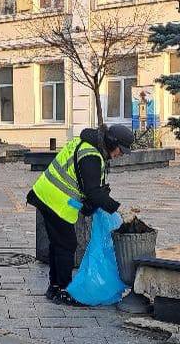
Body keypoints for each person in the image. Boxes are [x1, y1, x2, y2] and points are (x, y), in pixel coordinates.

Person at [27, 124, 134, 305]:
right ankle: (62, 289)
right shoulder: (91, 155)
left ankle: (55, 287)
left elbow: (88, 187)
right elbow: (93, 192)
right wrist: (119, 209)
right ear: (111, 142)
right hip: (53, 199)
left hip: (45, 194)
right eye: (120, 150)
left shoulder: (89, 146)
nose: (120, 154)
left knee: (58, 243)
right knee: (66, 244)